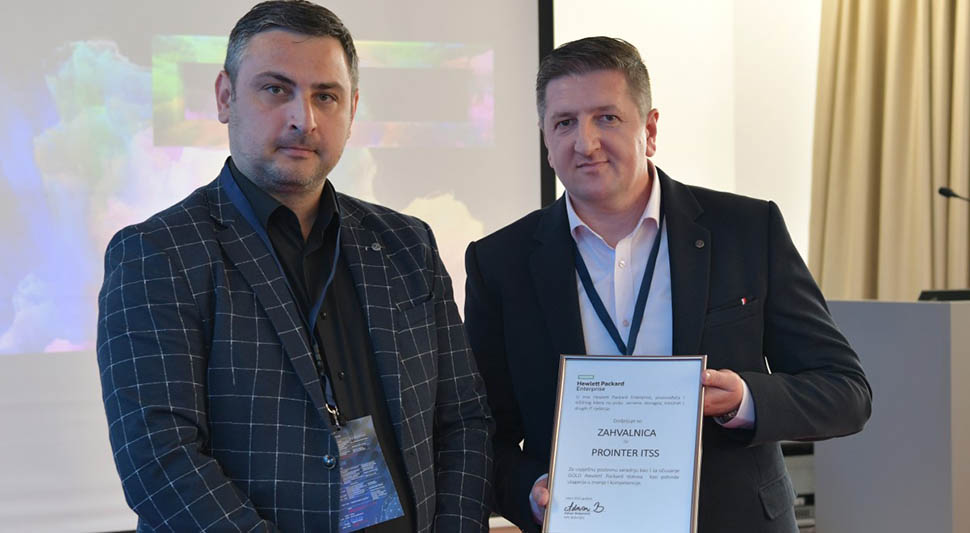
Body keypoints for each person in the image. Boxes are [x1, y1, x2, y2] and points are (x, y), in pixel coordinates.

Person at [96, 2, 492, 531]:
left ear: (352, 109)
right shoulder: (157, 253)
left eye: (325, 96)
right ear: (225, 96)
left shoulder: (406, 243)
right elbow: (160, 461)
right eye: (276, 89)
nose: (303, 119)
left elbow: (464, 420)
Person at [464, 36, 871, 533]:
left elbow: (845, 392)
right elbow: (480, 432)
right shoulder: (500, 262)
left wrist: (744, 398)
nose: (585, 143)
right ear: (546, 140)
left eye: (606, 118)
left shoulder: (746, 230)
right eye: (564, 122)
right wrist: (529, 493)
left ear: (650, 129)